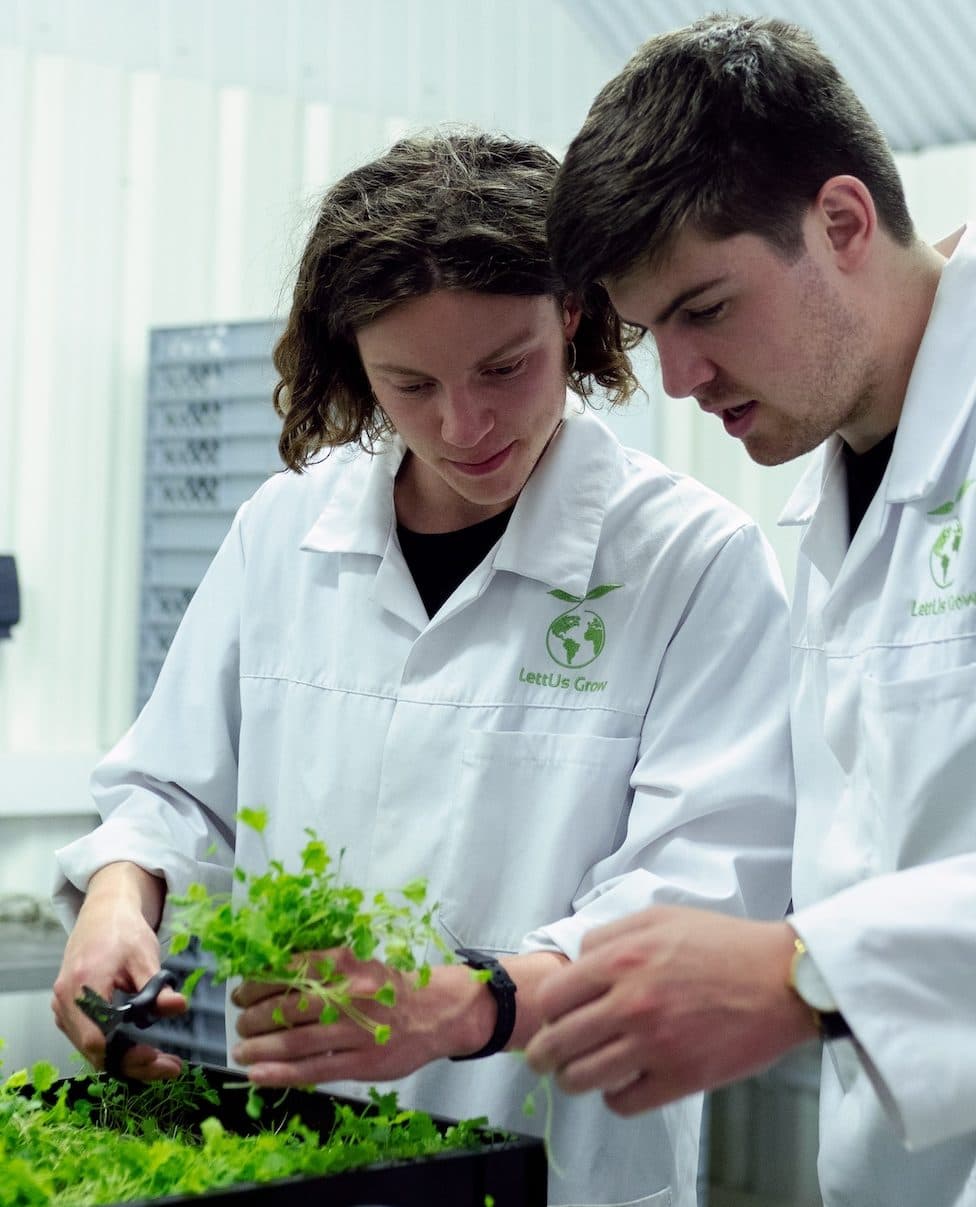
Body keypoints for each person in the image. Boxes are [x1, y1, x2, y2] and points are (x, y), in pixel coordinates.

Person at [51, 129, 795, 1207]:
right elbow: (170, 787)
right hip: (288, 1146)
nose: (465, 424)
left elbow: (699, 894)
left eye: (506, 366)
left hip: (556, 1154)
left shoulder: (690, 560)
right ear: (355, 362)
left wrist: (471, 1004)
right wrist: (119, 898)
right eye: (409, 382)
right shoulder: (285, 530)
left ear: (573, 316)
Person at [523, 15, 976, 1207]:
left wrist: (805, 973)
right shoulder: (839, 492)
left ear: (838, 223)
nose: (676, 379)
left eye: (705, 309)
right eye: (648, 330)